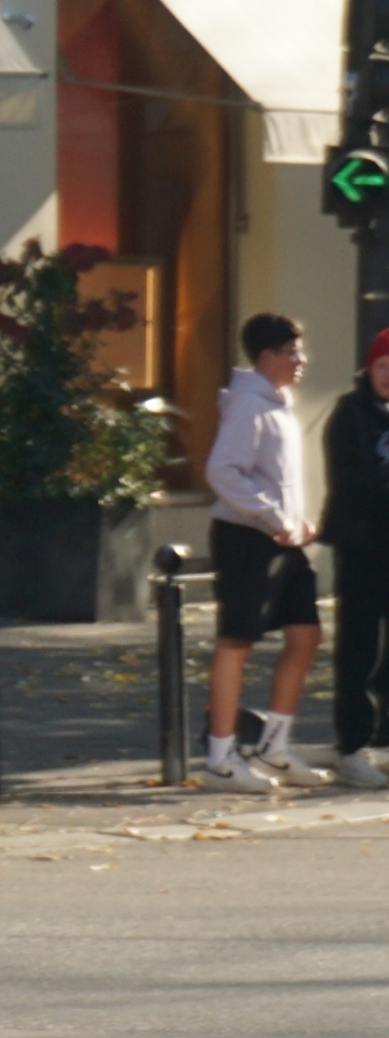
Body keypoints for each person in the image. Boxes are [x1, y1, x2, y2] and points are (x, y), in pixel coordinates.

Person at [203, 313, 329, 787]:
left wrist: (296, 520)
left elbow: (274, 477)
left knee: (306, 634)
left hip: (281, 541)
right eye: (291, 352)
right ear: (266, 357)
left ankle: (273, 748)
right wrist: (276, 518)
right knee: (237, 641)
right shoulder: (248, 404)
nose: (301, 360)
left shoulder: (279, 402)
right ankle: (220, 760)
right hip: (245, 539)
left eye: (299, 350)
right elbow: (223, 471)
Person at [320, 327, 389, 788]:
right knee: (359, 647)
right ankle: (352, 746)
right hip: (363, 544)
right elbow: (349, 480)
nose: (388, 376)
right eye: (382, 366)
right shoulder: (350, 412)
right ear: (369, 368)